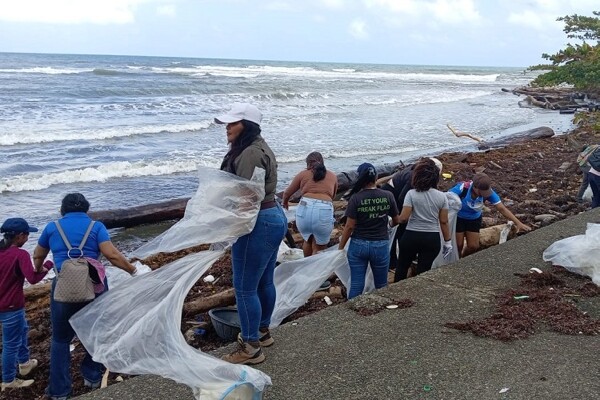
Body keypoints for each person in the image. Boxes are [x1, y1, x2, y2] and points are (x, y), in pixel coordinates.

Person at [33, 193, 139, 400]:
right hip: (95, 287)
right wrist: (133, 271)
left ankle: (59, 391)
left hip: (64, 287)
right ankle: (92, 376)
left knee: (60, 339)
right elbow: (112, 255)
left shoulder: (52, 227)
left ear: (62, 209)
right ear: (86, 209)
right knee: (97, 332)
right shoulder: (96, 227)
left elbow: (38, 254)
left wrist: (37, 270)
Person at [215, 103, 287, 365]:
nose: (228, 128)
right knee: (264, 281)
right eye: (227, 123)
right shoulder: (259, 147)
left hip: (258, 222)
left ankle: (251, 348)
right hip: (272, 216)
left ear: (248, 125)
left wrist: (229, 228)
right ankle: (262, 331)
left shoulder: (250, 154)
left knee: (245, 289)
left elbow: (248, 197)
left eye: (233, 123)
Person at [0, 218, 50, 392]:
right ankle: (8, 380)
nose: (28, 238)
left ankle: (25, 363)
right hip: (11, 306)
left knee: (22, 330)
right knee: (10, 343)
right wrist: (49, 265)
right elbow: (33, 279)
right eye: (27, 234)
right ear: (20, 236)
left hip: (5, 305)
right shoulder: (20, 255)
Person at [338, 163, 401, 299]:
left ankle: (353, 314)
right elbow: (397, 220)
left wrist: (341, 248)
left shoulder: (356, 198)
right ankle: (382, 311)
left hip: (358, 245)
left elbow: (349, 227)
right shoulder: (388, 195)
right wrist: (389, 224)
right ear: (376, 177)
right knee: (381, 285)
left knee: (356, 284)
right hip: (380, 245)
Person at [380, 157, 443, 274]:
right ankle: (392, 262)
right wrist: (410, 212)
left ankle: (406, 255)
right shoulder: (413, 176)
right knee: (396, 227)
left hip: (398, 195)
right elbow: (402, 197)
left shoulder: (419, 173)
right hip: (391, 196)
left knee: (403, 228)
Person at [449, 173, 531, 258]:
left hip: (474, 219)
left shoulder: (488, 192)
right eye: (482, 192)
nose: (484, 195)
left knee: (473, 246)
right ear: (475, 187)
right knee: (458, 245)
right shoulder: (462, 189)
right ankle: (456, 261)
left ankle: (463, 258)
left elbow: (502, 208)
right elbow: (445, 199)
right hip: (458, 218)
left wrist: (518, 223)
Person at [395, 159, 450, 282]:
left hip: (411, 236)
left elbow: (403, 218)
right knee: (424, 270)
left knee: (402, 267)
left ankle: (397, 295)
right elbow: (444, 222)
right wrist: (448, 242)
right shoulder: (442, 196)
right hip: (432, 238)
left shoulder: (411, 194)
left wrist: (391, 222)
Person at [282, 151, 338, 257]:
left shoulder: (303, 174)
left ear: (308, 164)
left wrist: (285, 202)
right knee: (319, 247)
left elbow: (287, 193)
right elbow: (332, 196)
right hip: (323, 209)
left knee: (307, 240)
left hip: (304, 209)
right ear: (322, 162)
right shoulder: (332, 176)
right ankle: (315, 271)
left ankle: (305, 267)